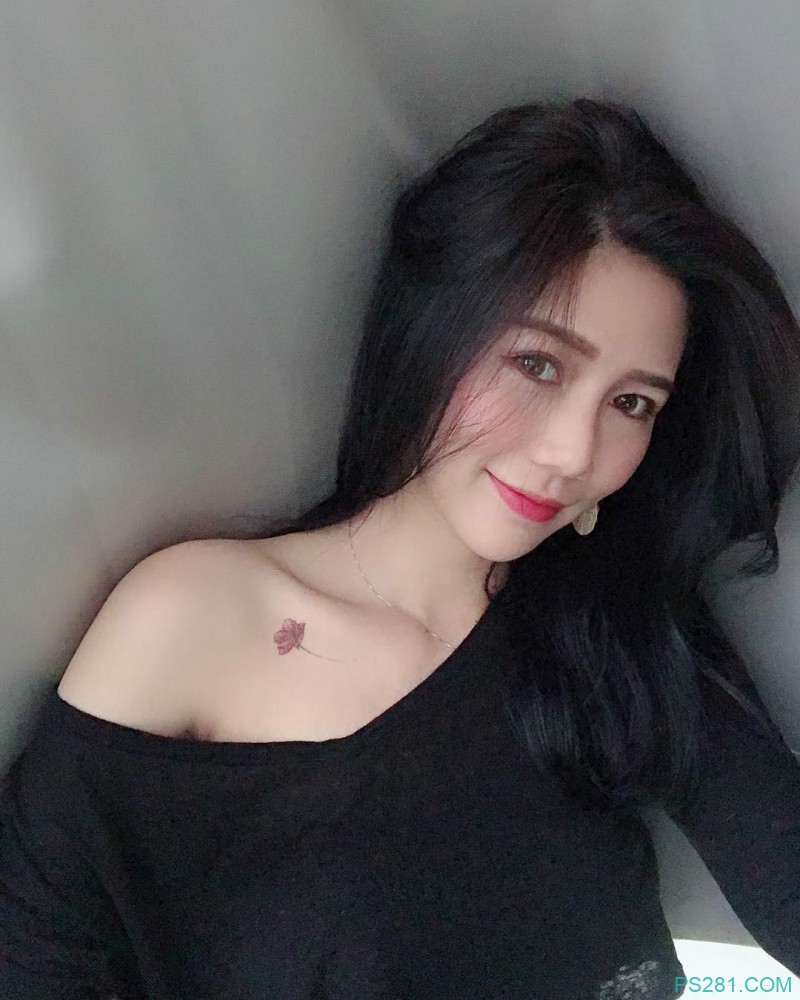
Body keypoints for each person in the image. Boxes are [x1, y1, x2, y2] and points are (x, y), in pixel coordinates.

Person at [2, 96, 800, 999]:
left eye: (631, 403)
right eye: (537, 364)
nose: (572, 452)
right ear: (431, 331)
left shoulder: (619, 630)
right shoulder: (195, 619)